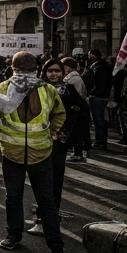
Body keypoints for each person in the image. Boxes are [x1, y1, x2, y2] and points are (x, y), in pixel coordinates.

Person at [0, 50, 70, 253]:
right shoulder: (3, 88)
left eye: (27, 72)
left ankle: (55, 246)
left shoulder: (47, 90)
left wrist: (53, 131)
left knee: (45, 201)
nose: (23, 77)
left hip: (41, 153)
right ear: (14, 70)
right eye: (21, 72)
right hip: (13, 153)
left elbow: (59, 113)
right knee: (15, 197)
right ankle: (14, 235)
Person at [27, 59, 85, 236]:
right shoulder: (37, 88)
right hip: (38, 141)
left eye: (57, 71)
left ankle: (49, 219)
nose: (54, 74)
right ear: (44, 72)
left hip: (58, 142)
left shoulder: (69, 89)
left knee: (55, 181)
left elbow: (81, 111)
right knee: (39, 181)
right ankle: (42, 218)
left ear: (63, 72)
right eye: (50, 71)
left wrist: (63, 133)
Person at [83, 49, 112, 149]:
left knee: (98, 120)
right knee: (102, 120)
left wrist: (91, 93)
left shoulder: (98, 68)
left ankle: (99, 141)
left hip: (97, 97)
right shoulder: (106, 67)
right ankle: (102, 140)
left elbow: (95, 83)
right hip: (104, 96)